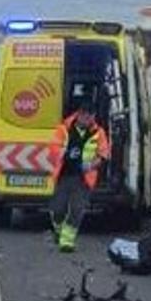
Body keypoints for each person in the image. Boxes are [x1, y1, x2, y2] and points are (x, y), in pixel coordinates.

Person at [48, 103, 111, 252]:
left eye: (91, 115)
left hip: (83, 178)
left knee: (77, 209)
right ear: (78, 114)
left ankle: (67, 242)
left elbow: (103, 154)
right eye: (85, 114)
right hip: (63, 176)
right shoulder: (63, 130)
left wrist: (91, 165)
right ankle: (58, 230)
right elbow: (53, 149)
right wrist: (63, 154)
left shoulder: (98, 133)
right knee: (58, 209)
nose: (88, 118)